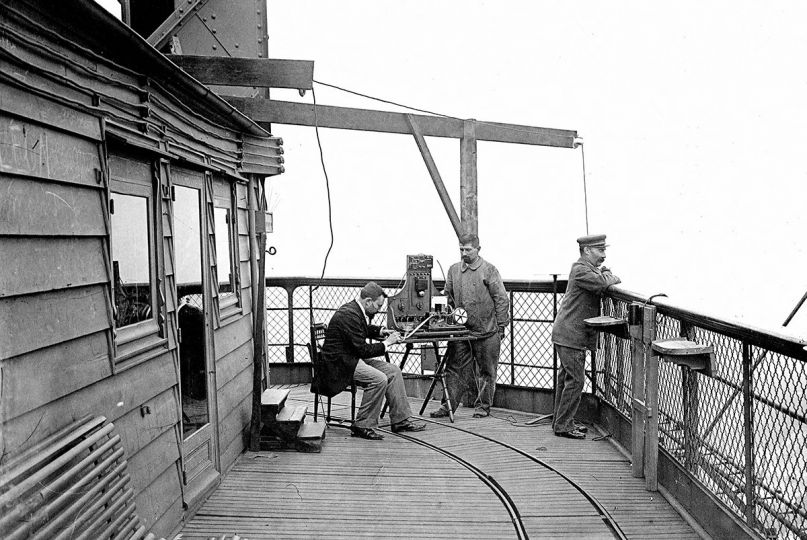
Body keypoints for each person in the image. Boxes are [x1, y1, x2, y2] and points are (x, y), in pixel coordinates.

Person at [316, 282, 426, 440]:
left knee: (393, 371)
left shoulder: (355, 310)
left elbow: (363, 329)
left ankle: (400, 420)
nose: (379, 309)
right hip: (340, 365)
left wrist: (381, 331)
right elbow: (363, 350)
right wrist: (388, 343)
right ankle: (363, 425)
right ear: (368, 302)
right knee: (378, 379)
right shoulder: (349, 315)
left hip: (351, 358)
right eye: (378, 305)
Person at [430, 233, 510, 419]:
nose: (464, 253)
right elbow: (447, 296)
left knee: (487, 371)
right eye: (461, 249)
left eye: (468, 249)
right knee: (454, 369)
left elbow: (501, 299)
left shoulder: (489, 270)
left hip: (487, 332)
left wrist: (501, 326)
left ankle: (483, 407)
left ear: (478, 249)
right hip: (461, 332)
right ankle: (447, 407)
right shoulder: (453, 270)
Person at [552, 234, 621, 439]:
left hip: (567, 333)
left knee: (566, 379)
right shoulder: (581, 270)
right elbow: (603, 283)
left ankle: (560, 421)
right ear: (587, 251)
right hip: (571, 335)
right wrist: (610, 275)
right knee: (576, 381)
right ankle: (563, 424)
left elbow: (601, 279)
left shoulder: (585, 269)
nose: (604, 255)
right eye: (600, 251)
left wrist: (604, 274)